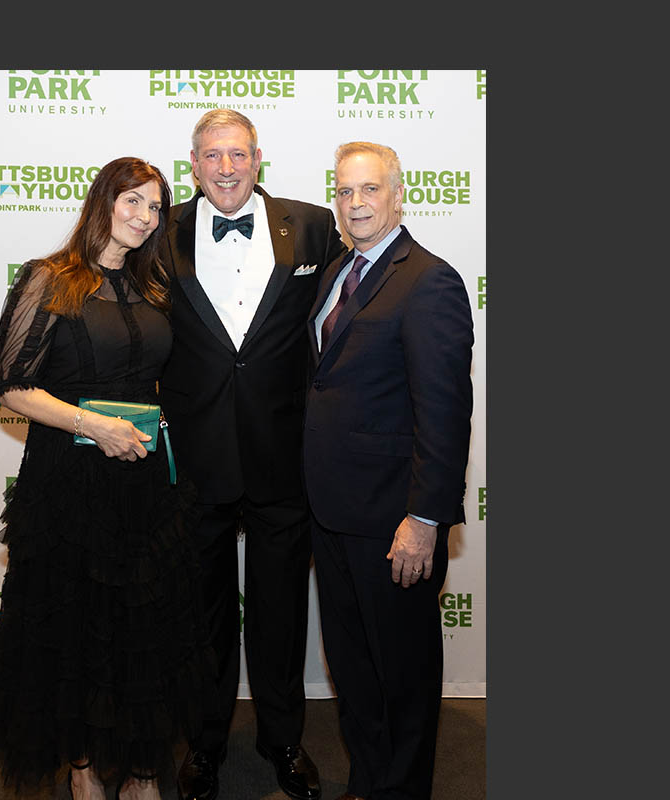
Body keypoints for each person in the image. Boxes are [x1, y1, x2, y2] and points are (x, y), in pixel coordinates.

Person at [0, 157, 218, 800]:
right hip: (69, 482)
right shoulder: (49, 280)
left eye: (156, 207)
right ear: (102, 202)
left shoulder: (154, 287)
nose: (144, 218)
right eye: (132, 202)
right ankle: (81, 769)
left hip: (144, 486)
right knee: (72, 629)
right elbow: (12, 388)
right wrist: (95, 425)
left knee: (144, 630)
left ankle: (140, 773)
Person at [158, 109, 347, 800]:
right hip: (195, 460)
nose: (227, 168)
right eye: (213, 156)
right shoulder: (161, 229)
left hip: (283, 455)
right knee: (203, 615)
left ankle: (284, 740)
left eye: (238, 154)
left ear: (258, 158)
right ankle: (204, 745)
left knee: (280, 611)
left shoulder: (315, 224)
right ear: (194, 161)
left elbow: (343, 324)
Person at [303, 141, 474, 800]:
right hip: (334, 513)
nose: (356, 204)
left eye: (369, 189)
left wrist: (425, 520)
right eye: (344, 192)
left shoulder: (428, 279)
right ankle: (368, 783)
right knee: (355, 672)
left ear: (397, 194)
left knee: (401, 679)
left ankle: (401, 790)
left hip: (393, 521)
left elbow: (445, 413)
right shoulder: (339, 272)